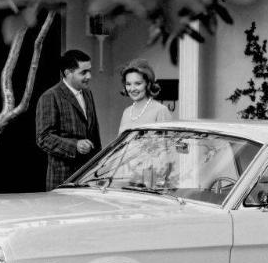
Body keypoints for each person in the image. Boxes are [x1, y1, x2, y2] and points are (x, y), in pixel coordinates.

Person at [36, 49, 102, 190]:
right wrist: (75, 145)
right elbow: (43, 138)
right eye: (83, 72)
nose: (89, 76)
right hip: (62, 179)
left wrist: (100, 167)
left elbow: (94, 133)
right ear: (67, 73)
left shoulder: (88, 93)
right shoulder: (50, 96)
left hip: (88, 178)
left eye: (89, 71)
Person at [118, 58, 172, 133]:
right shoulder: (126, 112)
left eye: (138, 83)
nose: (132, 89)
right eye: (128, 84)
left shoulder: (160, 111)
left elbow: (168, 143)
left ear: (148, 84)